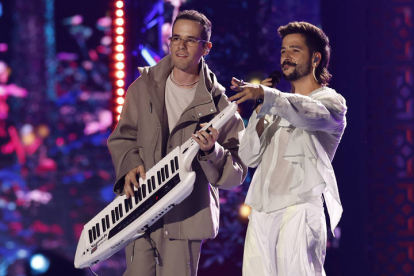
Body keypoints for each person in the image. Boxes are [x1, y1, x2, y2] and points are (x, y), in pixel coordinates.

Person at [107, 10, 247, 276]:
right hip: (141, 210)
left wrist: (211, 151)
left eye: (191, 40)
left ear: (206, 47)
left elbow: (236, 173)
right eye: (176, 38)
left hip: (186, 217)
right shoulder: (142, 88)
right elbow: (123, 138)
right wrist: (130, 166)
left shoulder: (220, 105)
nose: (181, 46)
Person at [229, 21, 347, 275]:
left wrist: (267, 95)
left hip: (299, 209)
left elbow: (306, 113)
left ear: (316, 58)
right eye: (283, 51)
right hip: (262, 210)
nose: (286, 56)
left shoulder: (331, 102)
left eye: (295, 50)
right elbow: (249, 155)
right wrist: (260, 109)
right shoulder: (274, 104)